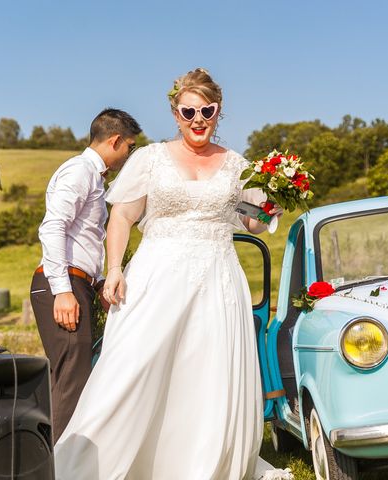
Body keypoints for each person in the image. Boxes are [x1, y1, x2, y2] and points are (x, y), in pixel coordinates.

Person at [54, 69, 285, 479]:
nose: (198, 119)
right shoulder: (149, 158)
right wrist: (114, 270)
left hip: (217, 278)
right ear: (176, 114)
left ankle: (202, 464)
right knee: (132, 366)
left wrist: (276, 199)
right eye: (189, 110)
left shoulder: (237, 166)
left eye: (207, 110)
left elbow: (253, 223)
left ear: (218, 113)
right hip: (155, 276)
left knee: (208, 372)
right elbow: (122, 216)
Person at [30, 108, 141, 442]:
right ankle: (57, 467)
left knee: (72, 377)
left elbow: (84, 239)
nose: (129, 154)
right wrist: (62, 290)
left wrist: (99, 283)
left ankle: (56, 462)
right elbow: (52, 227)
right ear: (116, 140)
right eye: (130, 147)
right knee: (71, 382)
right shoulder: (79, 171)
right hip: (62, 284)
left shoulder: (94, 176)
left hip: (80, 283)